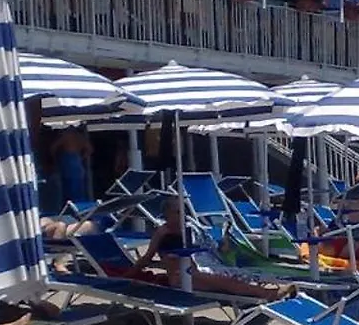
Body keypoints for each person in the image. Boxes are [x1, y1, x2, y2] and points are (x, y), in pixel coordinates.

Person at [119, 197, 289, 299]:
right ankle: (266, 294)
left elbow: (209, 249)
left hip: (197, 272)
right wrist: (127, 277)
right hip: (181, 279)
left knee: (233, 274)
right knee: (226, 281)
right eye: (177, 212)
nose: (182, 215)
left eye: (183, 211)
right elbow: (147, 258)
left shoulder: (189, 229)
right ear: (167, 214)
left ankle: (266, 291)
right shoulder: (162, 233)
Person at [50, 128, 93, 209]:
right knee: (79, 188)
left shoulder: (66, 135)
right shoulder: (80, 136)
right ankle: (81, 208)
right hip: (77, 159)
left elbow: (53, 147)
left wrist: (54, 159)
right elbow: (90, 149)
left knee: (68, 187)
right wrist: (82, 157)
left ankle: (70, 208)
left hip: (67, 159)